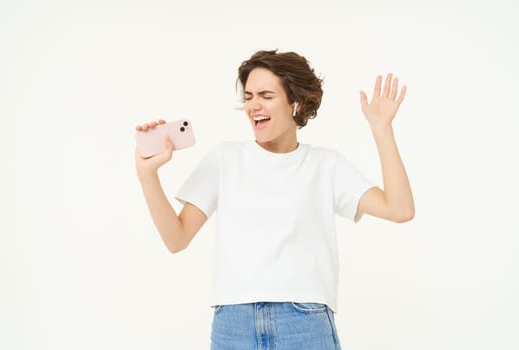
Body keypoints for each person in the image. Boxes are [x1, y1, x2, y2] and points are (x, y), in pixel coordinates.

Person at [135, 50, 414, 350]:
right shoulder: (224, 159)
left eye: (266, 95)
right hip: (234, 325)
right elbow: (176, 239)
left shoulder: (326, 165)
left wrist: (382, 129)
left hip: (303, 323)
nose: (254, 105)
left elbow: (399, 209)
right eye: (249, 96)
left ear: (297, 102)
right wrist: (147, 175)